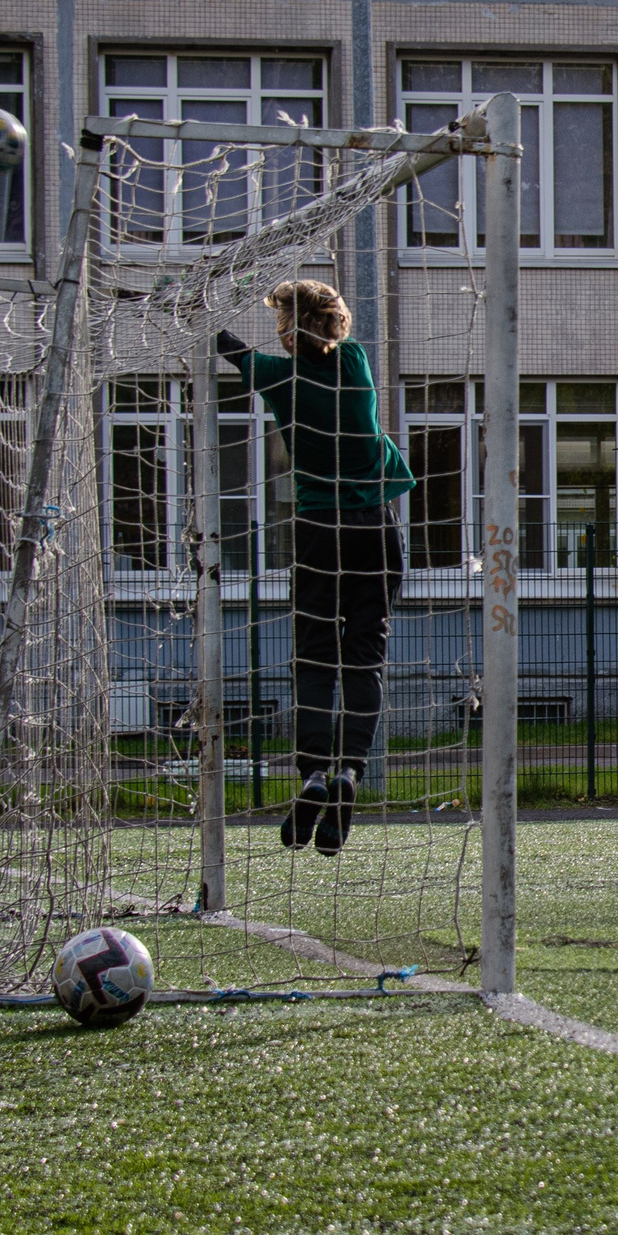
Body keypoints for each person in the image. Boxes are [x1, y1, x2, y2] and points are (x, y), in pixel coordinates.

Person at [216, 280, 414, 857]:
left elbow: (228, 347)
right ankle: (351, 772)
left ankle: (311, 776)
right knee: (366, 655)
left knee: (314, 657)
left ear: (287, 327)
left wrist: (199, 310)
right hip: (376, 530)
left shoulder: (278, 377)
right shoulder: (354, 362)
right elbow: (330, 331)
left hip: (318, 532)